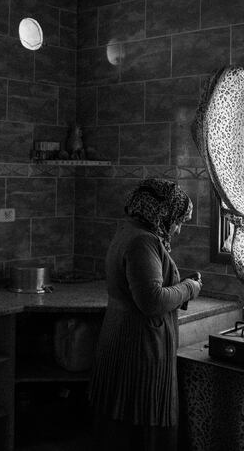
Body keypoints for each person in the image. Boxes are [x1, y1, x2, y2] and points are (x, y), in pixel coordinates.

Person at [89, 178, 203, 451]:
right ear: (162, 212)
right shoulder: (143, 241)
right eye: (178, 221)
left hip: (123, 338)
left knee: (119, 424)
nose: (178, 229)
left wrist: (179, 285)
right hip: (140, 346)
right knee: (142, 422)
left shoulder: (129, 231)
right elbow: (152, 300)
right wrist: (190, 288)